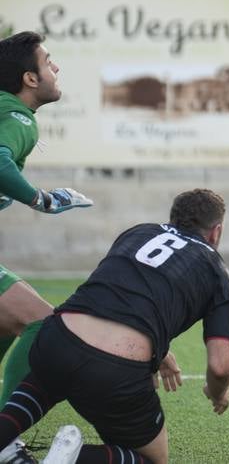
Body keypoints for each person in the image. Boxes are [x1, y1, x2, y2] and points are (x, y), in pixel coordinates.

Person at [0, 188, 229, 464]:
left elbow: (115, 297)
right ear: (216, 231)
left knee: (42, 387)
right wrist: (217, 392)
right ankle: (73, 458)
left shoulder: (138, 233)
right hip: (114, 370)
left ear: (174, 219)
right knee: (153, 459)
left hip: (58, 336)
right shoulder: (217, 271)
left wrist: (157, 351)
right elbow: (221, 366)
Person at [0, 32, 93, 464]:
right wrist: (43, 199)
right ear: (29, 78)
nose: (56, 69)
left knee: (5, 326)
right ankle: (4, 437)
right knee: (42, 324)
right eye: (49, 61)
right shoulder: (19, 118)